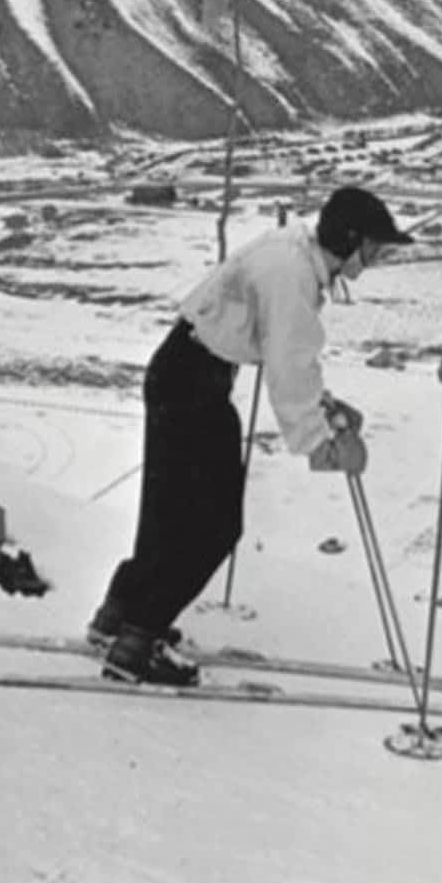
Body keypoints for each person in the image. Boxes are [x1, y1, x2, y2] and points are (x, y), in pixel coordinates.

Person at [90, 186, 413, 685]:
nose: (375, 257)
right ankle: (138, 642)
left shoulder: (294, 256)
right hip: (195, 383)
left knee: (169, 510)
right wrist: (320, 441)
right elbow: (289, 362)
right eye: (373, 246)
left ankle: (119, 616)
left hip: (182, 369)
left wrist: (321, 405)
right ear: (349, 240)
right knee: (216, 525)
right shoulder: (293, 276)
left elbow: (286, 351)